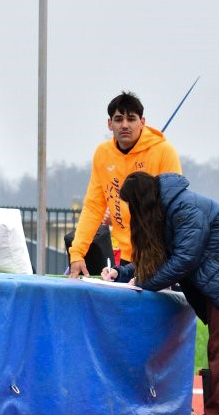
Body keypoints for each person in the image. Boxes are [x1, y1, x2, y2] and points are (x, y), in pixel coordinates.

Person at [102, 171, 219, 415]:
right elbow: (163, 255)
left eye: (131, 206)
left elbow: (185, 259)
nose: (130, 213)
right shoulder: (171, 207)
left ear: (142, 201)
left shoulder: (184, 208)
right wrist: (122, 273)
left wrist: (143, 284)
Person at [67, 92, 181, 277]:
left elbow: (176, 206)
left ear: (142, 122)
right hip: (129, 256)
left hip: (162, 255)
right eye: (119, 119)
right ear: (109, 124)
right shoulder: (103, 153)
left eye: (131, 119)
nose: (125, 125)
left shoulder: (163, 151)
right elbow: (94, 207)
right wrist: (77, 253)